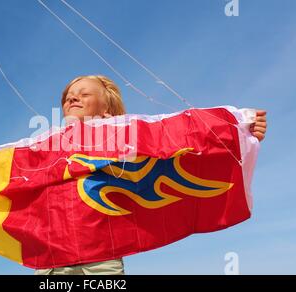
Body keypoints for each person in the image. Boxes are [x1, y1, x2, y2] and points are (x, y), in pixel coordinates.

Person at [34, 75, 267, 275]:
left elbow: (179, 140)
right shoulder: (44, 146)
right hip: (50, 257)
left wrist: (237, 132)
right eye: (68, 96)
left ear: (106, 111)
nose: (72, 98)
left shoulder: (121, 140)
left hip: (100, 256)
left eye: (84, 94)